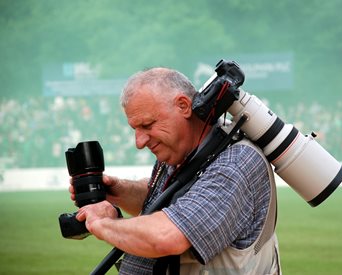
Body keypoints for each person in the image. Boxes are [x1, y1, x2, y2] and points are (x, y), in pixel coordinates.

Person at [70, 67, 281, 274]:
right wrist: (118, 191)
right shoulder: (180, 151)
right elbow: (169, 200)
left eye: (147, 125)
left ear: (183, 106)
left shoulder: (235, 163)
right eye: (135, 129)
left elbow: (168, 236)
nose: (139, 142)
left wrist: (102, 223)